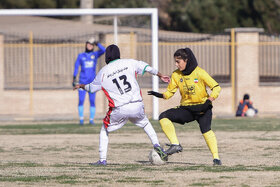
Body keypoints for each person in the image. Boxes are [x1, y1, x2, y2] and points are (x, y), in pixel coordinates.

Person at [74, 44, 169, 165]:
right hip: (137, 104)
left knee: (104, 129)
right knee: (145, 123)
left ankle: (102, 160)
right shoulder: (130, 62)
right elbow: (147, 67)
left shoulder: (103, 72)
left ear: (106, 57)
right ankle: (157, 145)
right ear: (119, 54)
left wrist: (81, 85)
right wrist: (160, 75)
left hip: (119, 108)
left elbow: (91, 88)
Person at [148, 48, 222, 165]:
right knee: (163, 117)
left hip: (203, 108)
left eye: (178, 61)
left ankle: (216, 158)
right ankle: (175, 144)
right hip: (187, 109)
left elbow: (216, 87)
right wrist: (160, 95)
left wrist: (209, 100)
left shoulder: (200, 72)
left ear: (186, 60)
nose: (176, 64)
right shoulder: (176, 75)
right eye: (175, 61)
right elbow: (169, 93)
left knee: (206, 131)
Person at [73, 37, 105, 125]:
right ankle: (81, 120)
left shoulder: (95, 54)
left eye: (91, 44)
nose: (89, 46)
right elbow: (76, 67)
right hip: (82, 82)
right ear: (86, 45)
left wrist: (97, 43)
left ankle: (91, 120)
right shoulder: (81, 56)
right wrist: (74, 77)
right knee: (81, 100)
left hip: (92, 82)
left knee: (92, 101)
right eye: (88, 44)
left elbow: (104, 50)